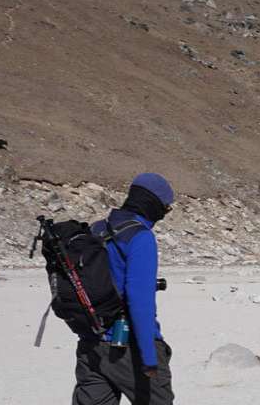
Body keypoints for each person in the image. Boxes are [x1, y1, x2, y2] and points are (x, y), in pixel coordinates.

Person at [74, 173, 177, 405]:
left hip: (91, 344)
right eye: (165, 208)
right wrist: (149, 358)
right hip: (130, 347)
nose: (164, 215)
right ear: (152, 203)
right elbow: (139, 301)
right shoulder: (140, 238)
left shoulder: (96, 229)